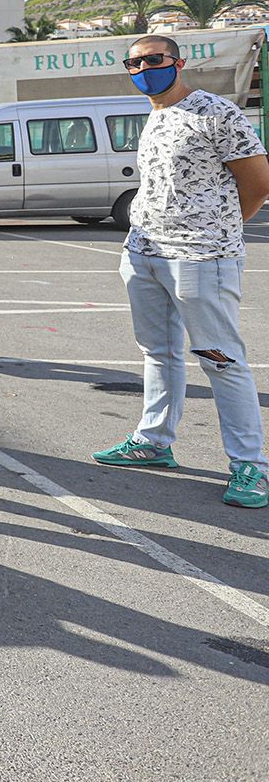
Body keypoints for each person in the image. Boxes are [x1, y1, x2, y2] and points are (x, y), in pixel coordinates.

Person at [93, 34, 269, 509]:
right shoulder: (154, 115)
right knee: (158, 353)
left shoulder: (216, 112)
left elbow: (257, 183)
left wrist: (215, 231)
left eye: (154, 59)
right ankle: (154, 441)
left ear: (178, 61)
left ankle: (250, 466)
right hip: (145, 253)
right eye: (134, 63)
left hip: (201, 258)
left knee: (221, 359)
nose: (145, 68)